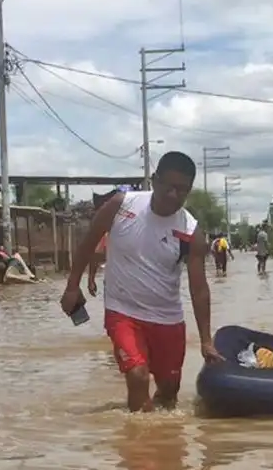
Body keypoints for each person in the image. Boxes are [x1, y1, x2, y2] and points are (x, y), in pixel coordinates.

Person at [60, 151, 224, 412]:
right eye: (168, 187)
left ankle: (160, 443)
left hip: (168, 319)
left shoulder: (191, 232)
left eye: (181, 190)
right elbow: (88, 243)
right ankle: (139, 447)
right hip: (123, 312)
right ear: (154, 180)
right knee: (137, 376)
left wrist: (206, 340)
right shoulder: (121, 206)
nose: (173, 195)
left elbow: (199, 289)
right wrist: (72, 286)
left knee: (169, 393)